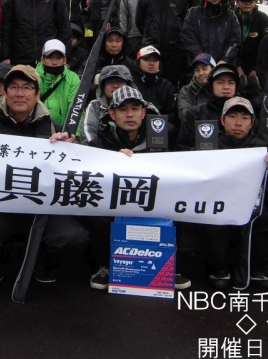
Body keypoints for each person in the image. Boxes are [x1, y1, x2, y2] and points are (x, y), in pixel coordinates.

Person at [0, 65, 88, 285]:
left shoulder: (53, 128)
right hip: (0, 208)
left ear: (37, 94)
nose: (20, 93)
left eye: (27, 87)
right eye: (13, 87)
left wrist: (70, 149)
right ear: (5, 92)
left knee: (73, 238)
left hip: (43, 209)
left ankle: (45, 265)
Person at [82, 86, 191, 291]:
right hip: (115, 200)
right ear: (112, 114)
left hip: (155, 197)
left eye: (135, 108)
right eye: (122, 110)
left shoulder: (165, 132)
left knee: (182, 208)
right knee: (94, 213)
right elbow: (90, 168)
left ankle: (170, 266)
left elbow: (182, 163)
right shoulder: (102, 137)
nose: (130, 114)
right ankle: (105, 266)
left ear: (144, 112)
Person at [197, 96, 268, 290]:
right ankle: (219, 269)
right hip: (218, 212)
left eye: (244, 118)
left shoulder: (264, 149)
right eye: (232, 116)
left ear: (252, 122)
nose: (238, 123)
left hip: (253, 214)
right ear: (222, 120)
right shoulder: (207, 145)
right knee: (205, 220)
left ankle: (255, 270)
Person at [135, 0, 188, 85]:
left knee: (171, 83)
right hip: (152, 47)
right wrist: (150, 34)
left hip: (174, 49)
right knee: (150, 81)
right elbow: (139, 21)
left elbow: (184, 20)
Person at [176, 64, 239, 150]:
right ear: (211, 86)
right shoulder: (196, 113)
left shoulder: (246, 112)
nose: (226, 87)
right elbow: (182, 146)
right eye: (220, 82)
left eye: (231, 83)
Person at [181, 0, 241, 67]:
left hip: (223, 65)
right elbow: (187, 37)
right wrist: (202, 57)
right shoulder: (193, 13)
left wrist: (225, 59)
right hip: (198, 64)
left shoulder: (230, 16)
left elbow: (235, 41)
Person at [81, 64, 136, 145]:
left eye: (119, 82)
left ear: (129, 85)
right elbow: (88, 136)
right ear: (102, 87)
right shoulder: (95, 106)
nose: (115, 86)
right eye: (110, 82)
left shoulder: (143, 105)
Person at [35, 39, 80, 130]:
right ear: (42, 59)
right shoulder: (33, 77)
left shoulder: (73, 78)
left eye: (58, 58)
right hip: (36, 130)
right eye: (50, 57)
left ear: (64, 60)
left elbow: (76, 108)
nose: (54, 62)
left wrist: (74, 135)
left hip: (63, 132)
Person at [234, 0, 268, 88]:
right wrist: (237, 66)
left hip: (255, 65)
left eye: (250, 1)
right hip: (233, 62)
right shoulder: (231, 17)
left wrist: (256, 69)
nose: (247, 3)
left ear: (255, 2)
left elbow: (264, 47)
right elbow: (228, 43)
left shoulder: (263, 18)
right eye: (243, 0)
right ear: (237, 2)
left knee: (254, 86)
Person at [132, 45, 177, 119]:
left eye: (155, 60)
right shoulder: (131, 84)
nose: (152, 63)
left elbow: (172, 115)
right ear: (138, 62)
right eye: (147, 59)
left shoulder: (167, 86)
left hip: (159, 125)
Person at [176, 53, 217, 127]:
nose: (201, 73)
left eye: (204, 69)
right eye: (197, 70)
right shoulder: (185, 91)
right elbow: (185, 118)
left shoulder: (221, 88)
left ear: (213, 69)